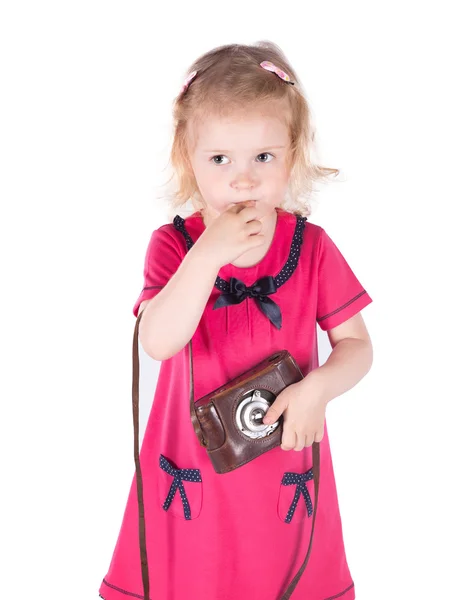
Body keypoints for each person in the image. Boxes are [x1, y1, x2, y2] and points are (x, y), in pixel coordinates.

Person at [98, 41, 374, 600]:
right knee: (195, 577)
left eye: (263, 159)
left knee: (280, 571)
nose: (242, 181)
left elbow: (357, 346)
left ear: (291, 156)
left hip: (281, 461)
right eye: (220, 160)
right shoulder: (173, 247)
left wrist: (319, 387)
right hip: (191, 467)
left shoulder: (312, 248)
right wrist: (207, 255)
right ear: (188, 158)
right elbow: (158, 339)